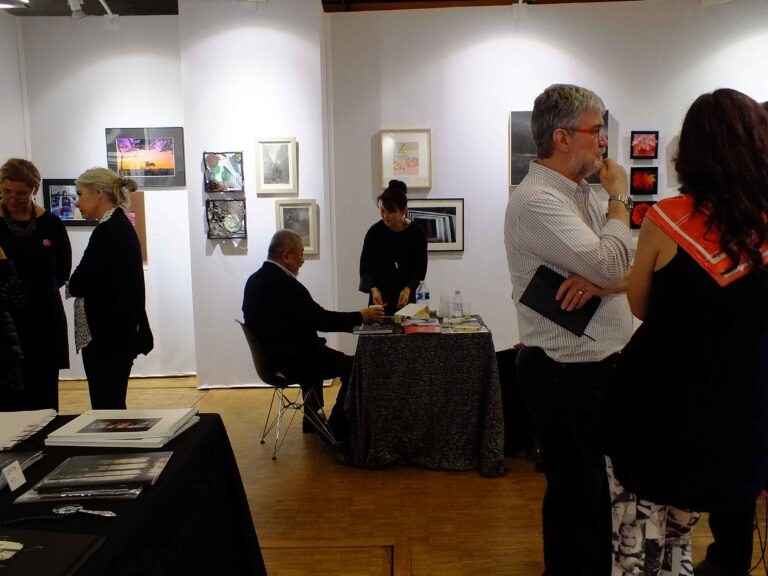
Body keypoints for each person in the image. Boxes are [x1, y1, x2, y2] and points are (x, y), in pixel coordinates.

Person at [603, 88, 768, 576]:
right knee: (710, 542)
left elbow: (639, 306)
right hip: (737, 413)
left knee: (642, 548)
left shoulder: (666, 218)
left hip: (654, 410)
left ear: (689, 150)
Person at [504, 84, 634, 576]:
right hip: (564, 373)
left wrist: (602, 285)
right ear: (562, 137)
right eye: (596, 130)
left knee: (590, 496)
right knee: (575, 500)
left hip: (588, 368)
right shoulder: (539, 200)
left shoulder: (575, 192)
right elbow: (610, 261)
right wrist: (618, 197)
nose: (603, 141)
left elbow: (628, 267)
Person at [243, 229, 384, 439]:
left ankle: (312, 418)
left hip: (271, 361)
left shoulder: (254, 280)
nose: (302, 260)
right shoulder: (285, 285)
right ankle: (338, 425)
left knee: (319, 351)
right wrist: (361, 316)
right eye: (300, 254)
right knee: (355, 366)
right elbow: (322, 320)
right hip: (293, 360)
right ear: (286, 255)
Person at [67, 167, 153, 409]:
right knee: (110, 402)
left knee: (107, 405)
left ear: (98, 193)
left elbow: (79, 281)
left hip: (108, 336)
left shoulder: (109, 231)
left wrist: (75, 284)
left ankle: (114, 447)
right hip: (115, 334)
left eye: (80, 194)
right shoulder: (117, 226)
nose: (77, 203)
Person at [0, 158, 71, 411]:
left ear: (34, 190)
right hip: (5, 326)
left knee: (44, 397)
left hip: (44, 321)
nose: (13, 197)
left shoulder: (51, 224)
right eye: (7, 191)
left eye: (20, 192)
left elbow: (63, 270)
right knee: (8, 399)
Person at [359, 179, 427, 316]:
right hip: (379, 302)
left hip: (407, 301)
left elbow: (419, 271)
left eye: (391, 212)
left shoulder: (417, 234)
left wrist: (408, 289)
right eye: (383, 211)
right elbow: (366, 268)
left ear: (404, 211)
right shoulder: (374, 233)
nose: (385, 216)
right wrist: (374, 289)